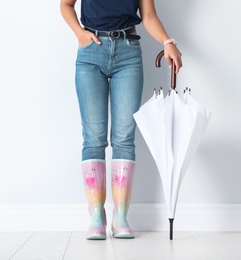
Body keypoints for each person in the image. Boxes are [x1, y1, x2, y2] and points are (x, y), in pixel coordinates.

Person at [60, 0, 182, 240]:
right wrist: (79, 33)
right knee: (93, 137)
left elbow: (148, 16)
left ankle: (120, 218)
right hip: (90, 53)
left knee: (124, 137)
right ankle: (96, 217)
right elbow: (66, 5)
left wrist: (167, 42)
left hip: (128, 54)